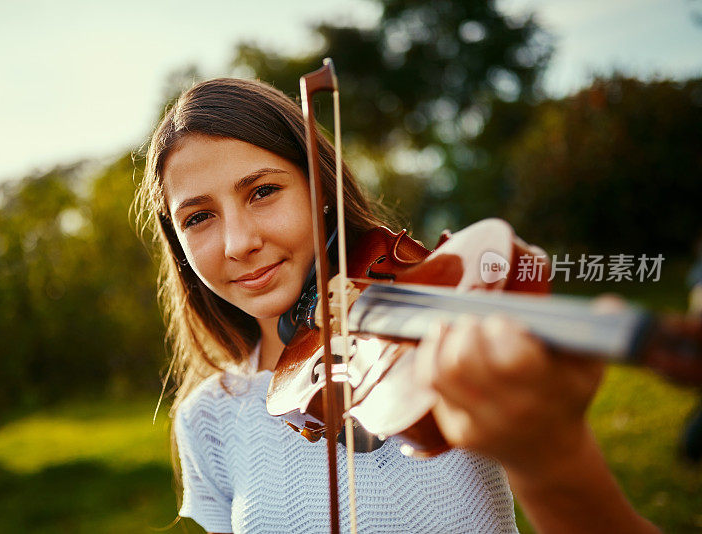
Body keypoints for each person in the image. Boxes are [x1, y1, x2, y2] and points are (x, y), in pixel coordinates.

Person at [134, 77, 659, 533]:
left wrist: (553, 453)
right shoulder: (209, 419)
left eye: (263, 191)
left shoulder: (443, 346)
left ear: (320, 190)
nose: (238, 242)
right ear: (176, 240)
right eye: (198, 217)